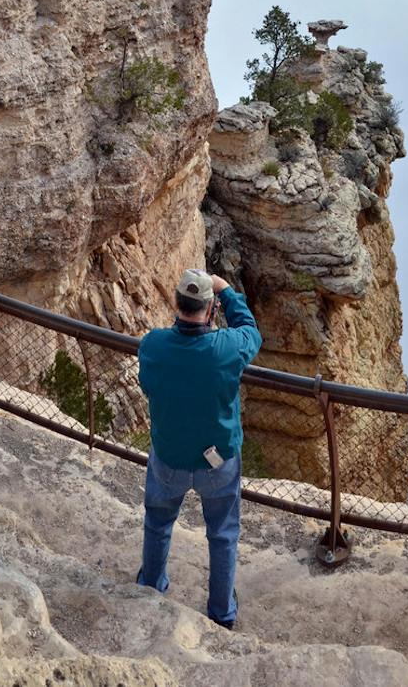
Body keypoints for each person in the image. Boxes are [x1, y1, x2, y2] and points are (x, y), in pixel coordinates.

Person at [135, 268, 261, 630]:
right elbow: (252, 331)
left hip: (169, 457)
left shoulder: (153, 345)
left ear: (177, 305)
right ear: (210, 310)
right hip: (217, 462)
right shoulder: (227, 348)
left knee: (158, 523)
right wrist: (229, 293)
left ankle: (150, 587)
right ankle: (221, 613)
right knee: (222, 534)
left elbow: (148, 385)